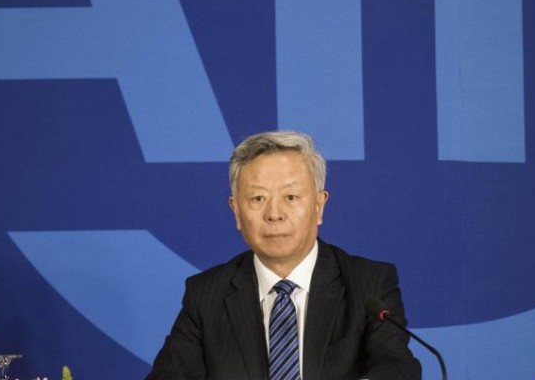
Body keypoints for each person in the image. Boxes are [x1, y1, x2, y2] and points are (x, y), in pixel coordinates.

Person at [146, 130, 422, 380]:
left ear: (318, 206)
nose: (274, 214)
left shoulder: (369, 285)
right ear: (236, 212)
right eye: (258, 199)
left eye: (291, 197)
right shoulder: (207, 295)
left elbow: (398, 371)